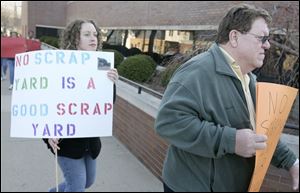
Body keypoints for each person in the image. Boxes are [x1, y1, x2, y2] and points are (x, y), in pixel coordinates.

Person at [154, 4, 299, 192]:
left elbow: (262, 132)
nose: (268, 45)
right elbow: (168, 123)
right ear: (234, 37)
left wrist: (291, 162)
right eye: (261, 38)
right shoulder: (197, 71)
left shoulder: (249, 80)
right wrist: (231, 140)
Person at [43, 19, 119, 192]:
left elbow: (107, 104)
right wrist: (47, 133)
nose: (94, 38)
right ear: (75, 39)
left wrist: (111, 83)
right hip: (67, 142)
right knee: (77, 187)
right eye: (87, 34)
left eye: (95, 34)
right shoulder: (59, 66)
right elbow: (44, 102)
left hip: (90, 142)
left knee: (87, 182)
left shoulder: (102, 63)